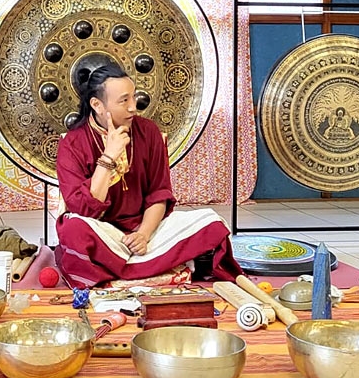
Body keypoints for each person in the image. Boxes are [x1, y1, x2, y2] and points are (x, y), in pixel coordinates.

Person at [54, 63, 243, 288]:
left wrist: (143, 234)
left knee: (211, 223)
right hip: (103, 233)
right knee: (74, 229)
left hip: (146, 229)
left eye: (134, 97)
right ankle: (156, 267)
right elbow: (82, 209)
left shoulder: (149, 132)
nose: (133, 107)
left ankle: (121, 270)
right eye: (124, 101)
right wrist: (109, 157)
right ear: (96, 104)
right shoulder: (72, 144)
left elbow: (159, 194)